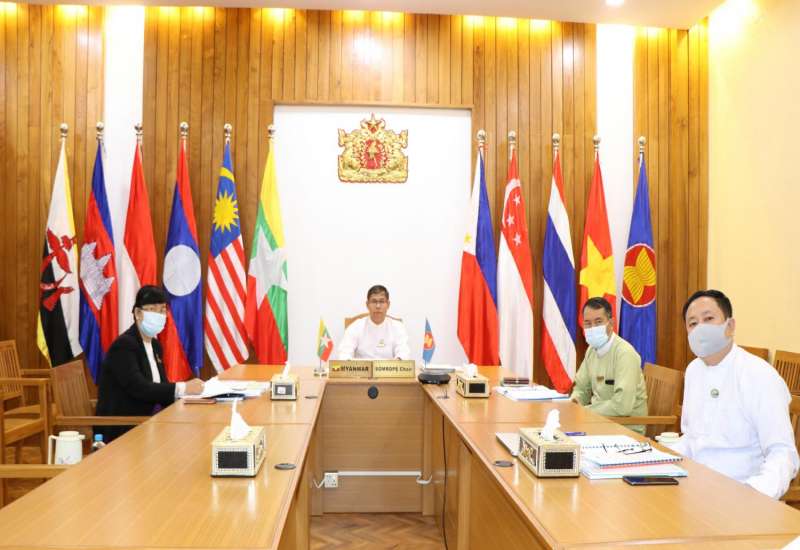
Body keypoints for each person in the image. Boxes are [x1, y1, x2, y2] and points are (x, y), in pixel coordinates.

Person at [671, 289, 799, 499]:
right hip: (692, 486)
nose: (700, 328)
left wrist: (752, 495)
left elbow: (783, 454)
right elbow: (692, 438)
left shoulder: (759, 375)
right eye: (693, 323)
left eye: (708, 319)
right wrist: (658, 458)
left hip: (740, 493)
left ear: (730, 326)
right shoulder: (693, 370)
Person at [95, 285, 204, 442]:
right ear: (138, 313)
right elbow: (139, 388)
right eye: (152, 309)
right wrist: (183, 388)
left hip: (150, 420)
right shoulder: (124, 346)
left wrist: (189, 398)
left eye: (162, 310)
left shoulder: (155, 345)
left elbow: (161, 385)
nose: (159, 315)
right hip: (124, 427)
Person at [570, 297, 648, 434]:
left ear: (611, 323)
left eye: (598, 322)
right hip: (598, 422)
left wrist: (585, 411)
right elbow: (581, 388)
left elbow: (622, 406)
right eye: (588, 323)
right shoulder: (592, 350)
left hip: (626, 429)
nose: (592, 328)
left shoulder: (624, 354)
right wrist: (574, 402)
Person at [337, 285, 410, 360]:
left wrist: (398, 360)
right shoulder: (356, 326)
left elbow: (403, 352)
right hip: (362, 367)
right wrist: (348, 360)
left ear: (388, 304)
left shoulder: (397, 327)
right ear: (367, 304)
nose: (378, 306)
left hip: (389, 367)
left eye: (382, 301)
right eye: (374, 301)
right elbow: (344, 352)